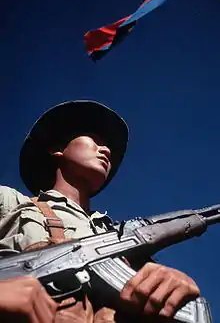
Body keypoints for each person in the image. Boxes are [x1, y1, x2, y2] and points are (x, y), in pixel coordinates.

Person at [0, 100, 200, 323]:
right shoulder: (11, 202)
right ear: (56, 149)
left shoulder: (123, 239)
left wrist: (173, 289)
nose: (106, 149)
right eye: (93, 139)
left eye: (107, 146)